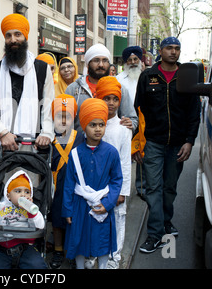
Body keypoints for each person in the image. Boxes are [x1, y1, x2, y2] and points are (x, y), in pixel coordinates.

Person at [134, 37, 201, 253]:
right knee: (154, 188)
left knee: (169, 187)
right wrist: (138, 144)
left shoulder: (187, 77)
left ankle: (165, 221)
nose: (174, 52)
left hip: (178, 145)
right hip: (153, 142)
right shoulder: (148, 76)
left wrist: (190, 141)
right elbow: (139, 111)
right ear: (160, 51)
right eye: (169, 48)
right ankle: (154, 234)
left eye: (177, 48)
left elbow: (194, 113)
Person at [0, 13, 54, 204]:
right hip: (2, 145)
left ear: (25, 36)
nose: (13, 39)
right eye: (8, 35)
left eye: (17, 34)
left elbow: (48, 105)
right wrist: (3, 133)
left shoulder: (42, 69)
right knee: (0, 198)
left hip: (33, 146)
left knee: (29, 195)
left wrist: (46, 132)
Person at [62, 98, 123, 269]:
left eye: (101, 125)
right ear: (84, 126)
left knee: (102, 241)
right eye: (93, 124)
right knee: (79, 239)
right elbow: (69, 183)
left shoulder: (111, 153)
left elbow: (117, 180)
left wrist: (108, 203)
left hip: (102, 204)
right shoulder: (75, 154)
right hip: (80, 205)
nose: (97, 129)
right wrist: (68, 209)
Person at [95, 77, 132, 269]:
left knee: (117, 220)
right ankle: (93, 253)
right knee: (95, 218)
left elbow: (126, 162)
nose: (110, 103)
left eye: (114, 99)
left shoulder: (123, 129)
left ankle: (114, 258)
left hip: (116, 186)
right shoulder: (91, 125)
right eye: (106, 98)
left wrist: (122, 191)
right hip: (95, 186)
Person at [0, 170, 48, 269]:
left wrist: (32, 212)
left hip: (27, 247)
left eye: (27, 192)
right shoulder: (2, 206)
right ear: (8, 196)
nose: (23, 195)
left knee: (37, 265)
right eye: (18, 191)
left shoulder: (32, 209)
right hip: (4, 248)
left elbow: (41, 225)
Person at [65, 43, 138, 133]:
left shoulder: (119, 88)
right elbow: (63, 122)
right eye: (96, 60)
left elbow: (132, 119)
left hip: (112, 144)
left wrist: (130, 123)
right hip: (80, 144)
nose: (101, 65)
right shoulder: (73, 89)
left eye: (105, 60)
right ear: (88, 64)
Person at [49, 94, 84, 269]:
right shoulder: (48, 138)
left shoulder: (80, 137)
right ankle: (57, 250)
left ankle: (71, 250)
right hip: (56, 184)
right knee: (56, 218)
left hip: (74, 184)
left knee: (73, 218)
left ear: (74, 117)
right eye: (59, 117)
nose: (63, 121)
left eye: (67, 116)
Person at [116, 45, 146, 199]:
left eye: (136, 59)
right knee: (126, 157)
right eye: (130, 60)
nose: (133, 62)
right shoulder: (118, 80)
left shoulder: (146, 76)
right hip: (126, 121)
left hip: (143, 121)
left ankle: (141, 187)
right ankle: (121, 188)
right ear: (125, 62)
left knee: (142, 154)